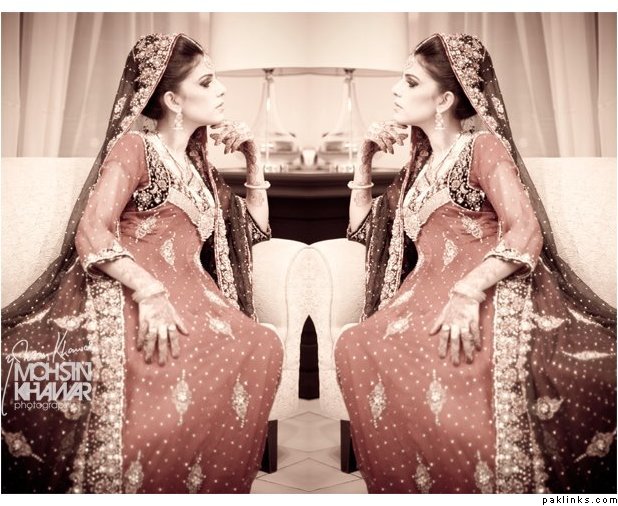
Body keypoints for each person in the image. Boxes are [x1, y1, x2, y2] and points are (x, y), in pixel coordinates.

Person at [1, 33, 283, 493]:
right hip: (133, 289)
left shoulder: (199, 169)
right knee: (155, 370)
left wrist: (253, 161)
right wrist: (149, 292)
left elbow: (250, 233)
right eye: (207, 82)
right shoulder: (135, 147)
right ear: (172, 100)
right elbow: (93, 230)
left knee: (261, 345)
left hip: (197, 298)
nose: (221, 90)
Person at [335, 33, 616, 494]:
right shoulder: (419, 169)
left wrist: (468, 291)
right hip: (420, 298)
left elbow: (524, 229)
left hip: (484, 290)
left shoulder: (482, 147)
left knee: (467, 369)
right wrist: (364, 161)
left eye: (410, 82)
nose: (396, 90)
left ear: (444, 99)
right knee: (356, 345)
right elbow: (367, 233)